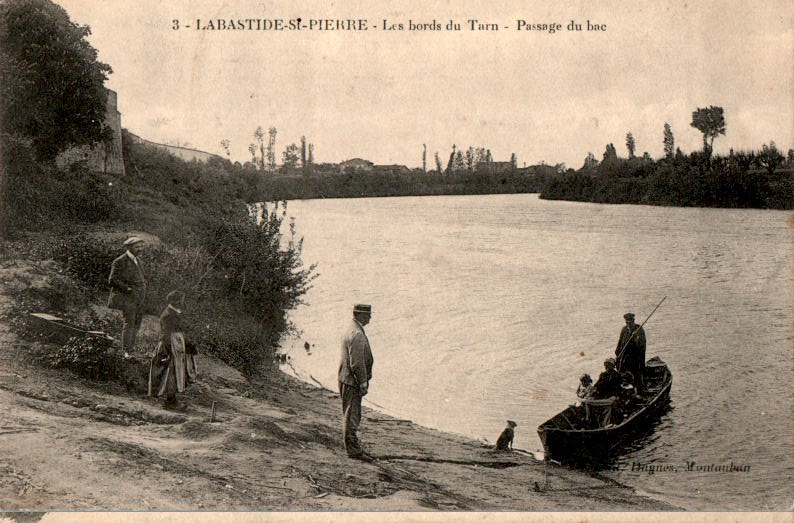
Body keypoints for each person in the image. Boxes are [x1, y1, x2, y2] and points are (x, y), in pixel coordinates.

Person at [338, 303, 374, 459]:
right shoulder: (357, 334)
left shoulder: (351, 328)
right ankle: (353, 450)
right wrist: (363, 382)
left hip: (347, 378)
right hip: (352, 381)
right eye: (368, 315)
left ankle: (353, 447)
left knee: (350, 413)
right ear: (360, 315)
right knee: (352, 415)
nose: (370, 318)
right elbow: (357, 363)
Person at [148, 290, 194, 409]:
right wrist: (168, 351)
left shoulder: (175, 313)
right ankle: (169, 401)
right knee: (170, 373)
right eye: (180, 300)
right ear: (174, 301)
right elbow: (165, 335)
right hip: (170, 346)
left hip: (177, 345)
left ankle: (172, 400)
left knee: (176, 373)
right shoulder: (167, 315)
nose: (182, 302)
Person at [108, 237, 147, 353]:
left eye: (141, 246)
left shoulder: (138, 261)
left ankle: (131, 349)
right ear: (129, 247)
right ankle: (126, 351)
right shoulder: (119, 261)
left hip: (139, 297)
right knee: (129, 322)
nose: (140, 249)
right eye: (137, 247)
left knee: (137, 323)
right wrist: (128, 289)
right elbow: (112, 280)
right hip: (127, 298)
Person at [615, 312, 646, 392]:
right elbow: (620, 341)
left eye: (630, 321)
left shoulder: (639, 329)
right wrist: (617, 353)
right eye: (627, 322)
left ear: (633, 320)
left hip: (635, 357)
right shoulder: (624, 329)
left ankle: (639, 390)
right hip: (625, 356)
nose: (629, 323)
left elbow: (642, 345)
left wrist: (636, 338)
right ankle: (625, 390)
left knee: (636, 374)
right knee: (624, 373)